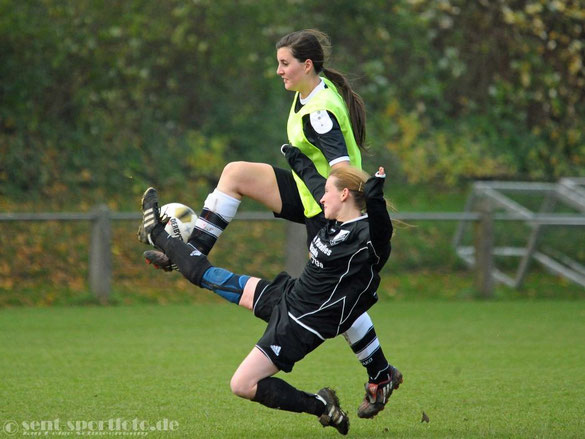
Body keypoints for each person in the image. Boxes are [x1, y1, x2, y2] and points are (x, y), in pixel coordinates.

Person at [140, 29, 401, 418]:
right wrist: (300, 166)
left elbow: (343, 169)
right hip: (314, 193)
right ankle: (190, 252)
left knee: (336, 299)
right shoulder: (308, 92)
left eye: (284, 63)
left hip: (327, 206)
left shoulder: (320, 113)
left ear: (307, 65)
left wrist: (363, 203)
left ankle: (380, 374)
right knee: (236, 174)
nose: (278, 70)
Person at [139, 145, 395, 435]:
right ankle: (160, 237)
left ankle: (320, 406)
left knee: (242, 385)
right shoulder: (332, 221)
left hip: (299, 326)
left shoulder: (368, 239)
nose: (321, 197)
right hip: (286, 295)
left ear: (345, 195)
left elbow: (382, 231)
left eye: (328, 192)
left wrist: (375, 198)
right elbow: (312, 183)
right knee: (205, 276)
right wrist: (296, 157)